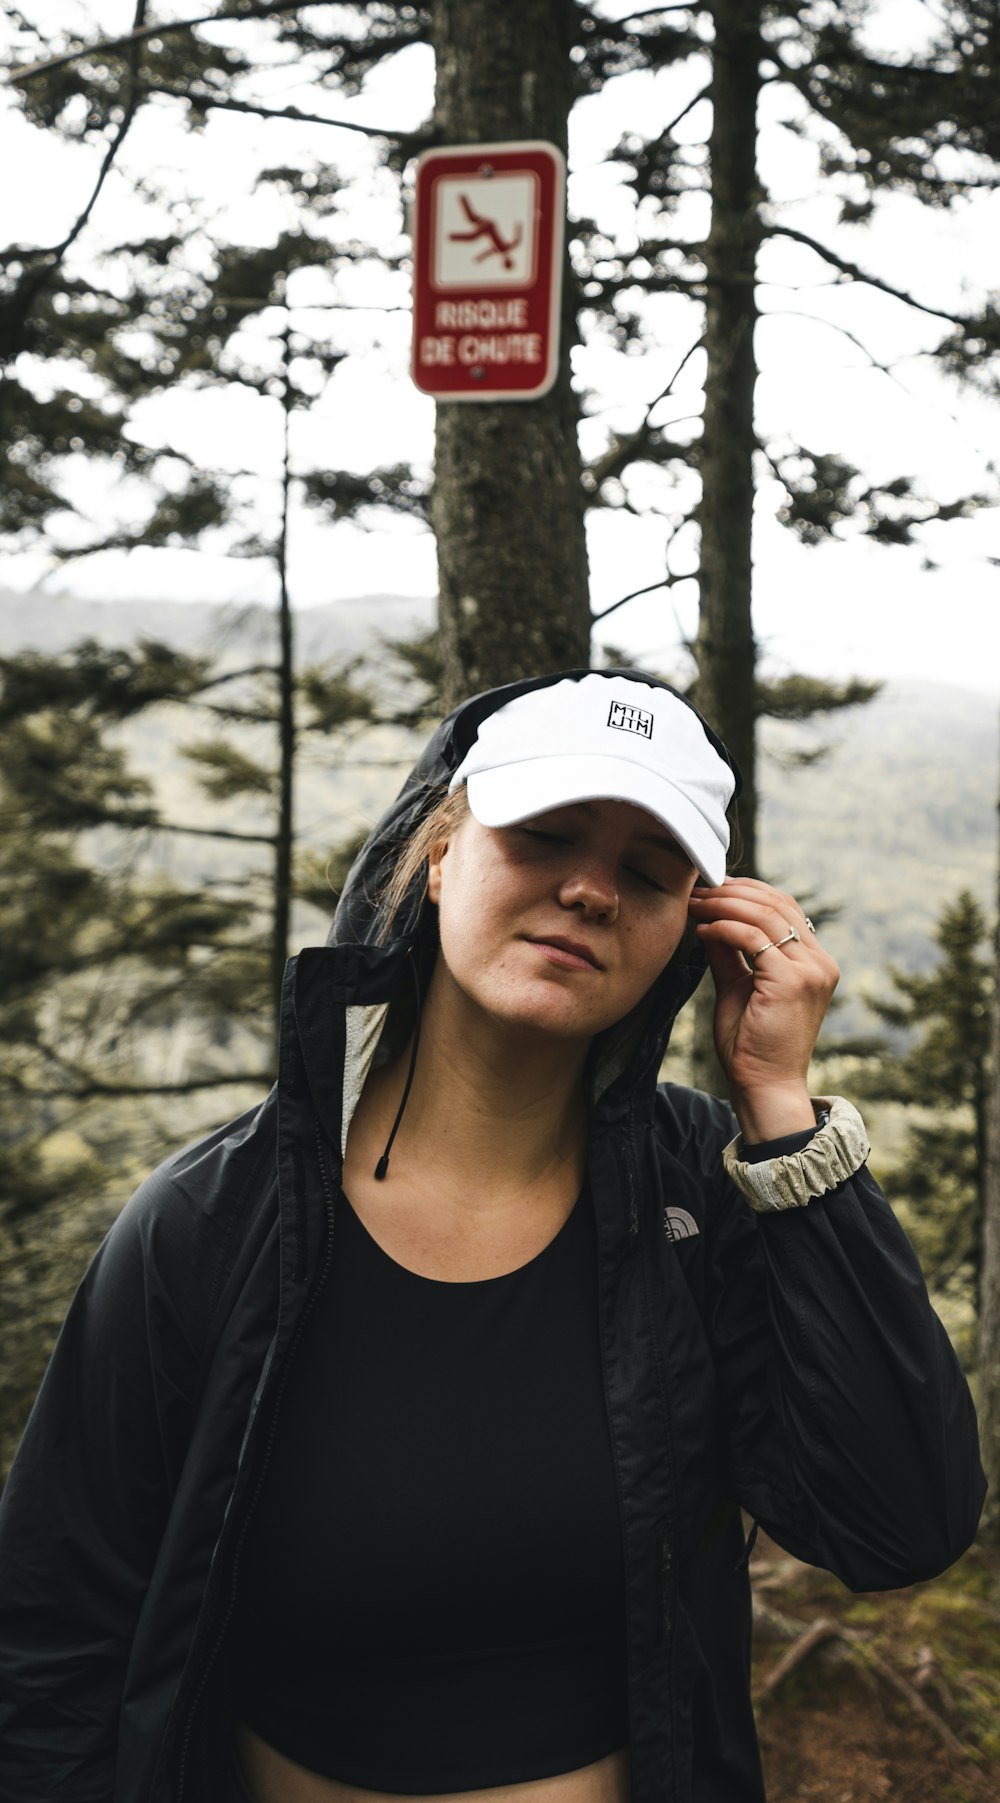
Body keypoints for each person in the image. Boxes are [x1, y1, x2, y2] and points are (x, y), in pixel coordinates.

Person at [0, 667, 986, 1803]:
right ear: (438, 853)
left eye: (648, 872)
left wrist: (781, 1113)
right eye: (547, 834)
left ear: (686, 930)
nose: (589, 890)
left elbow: (899, 1522)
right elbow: (55, 1637)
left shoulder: (702, 1209)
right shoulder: (214, 1222)